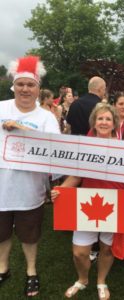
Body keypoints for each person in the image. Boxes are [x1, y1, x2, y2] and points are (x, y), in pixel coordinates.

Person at [51, 103, 124, 299]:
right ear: (94, 122)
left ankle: (101, 281)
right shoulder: (85, 148)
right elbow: (76, 177)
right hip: (87, 203)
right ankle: (83, 279)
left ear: (114, 123)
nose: (104, 122)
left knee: (107, 248)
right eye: (100, 118)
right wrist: (61, 190)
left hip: (116, 203)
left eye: (108, 119)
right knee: (79, 252)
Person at [0, 56, 60, 297]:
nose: (25, 89)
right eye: (21, 84)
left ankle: (31, 271)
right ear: (13, 86)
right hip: (1, 187)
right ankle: (3, 267)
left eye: (30, 85)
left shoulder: (46, 118)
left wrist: (24, 130)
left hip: (30, 189)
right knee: (1, 232)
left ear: (38, 89)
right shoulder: (1, 108)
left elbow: (57, 152)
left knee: (29, 234)